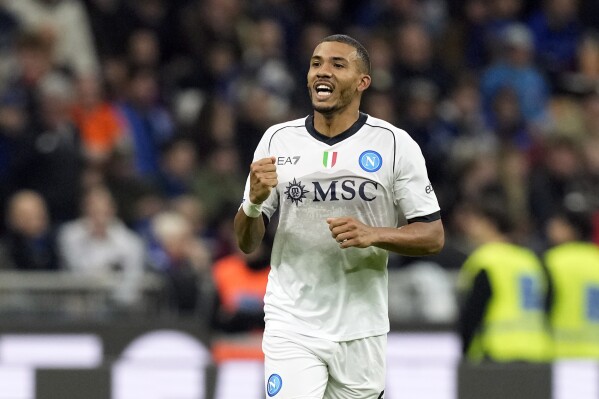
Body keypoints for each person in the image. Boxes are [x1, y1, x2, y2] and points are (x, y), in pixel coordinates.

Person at [234, 34, 444, 399]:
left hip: (362, 327)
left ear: (363, 82)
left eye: (337, 64)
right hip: (293, 322)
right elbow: (246, 242)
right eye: (316, 63)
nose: (322, 72)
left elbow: (433, 236)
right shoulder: (277, 140)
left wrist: (373, 234)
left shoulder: (394, 144)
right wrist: (253, 202)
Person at [456, 195, 551, 363]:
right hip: (536, 351)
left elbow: (473, 312)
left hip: (497, 351)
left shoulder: (486, 260)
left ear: (490, 224)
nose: (468, 229)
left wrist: (465, 352)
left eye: (474, 222)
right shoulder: (529, 259)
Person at [543, 209, 599, 359]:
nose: (550, 229)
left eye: (557, 225)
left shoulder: (553, 260)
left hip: (562, 353)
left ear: (572, 229)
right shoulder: (596, 257)